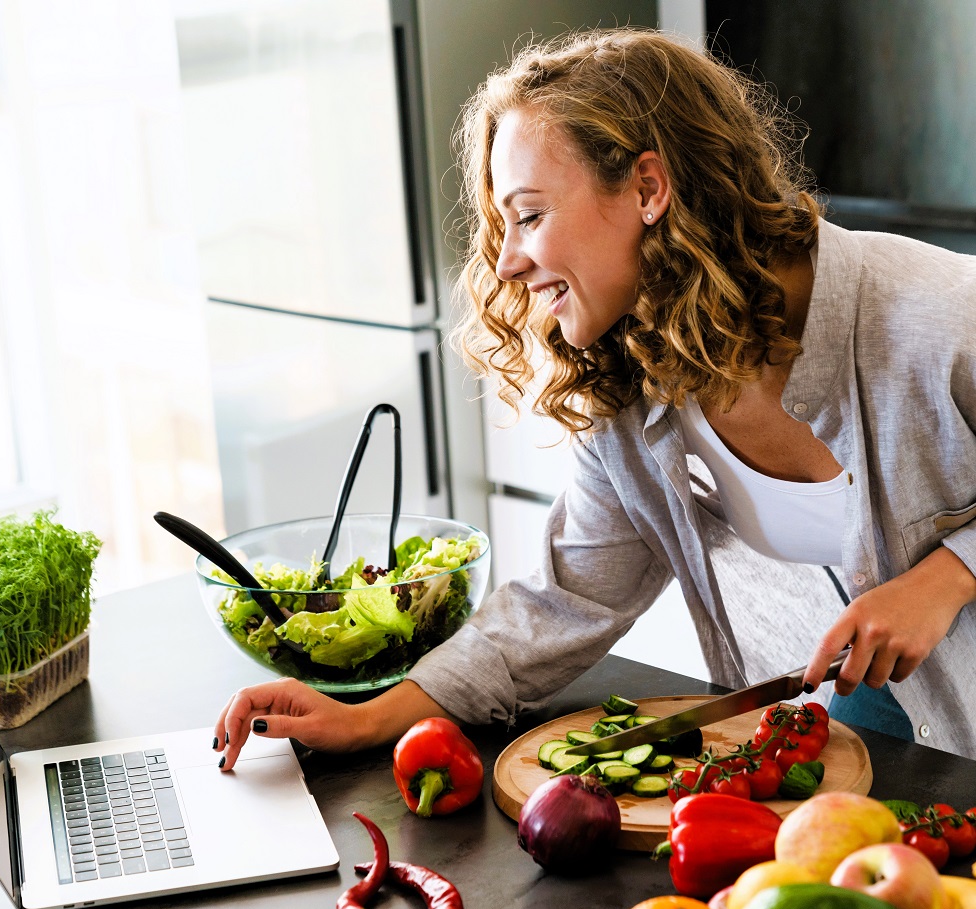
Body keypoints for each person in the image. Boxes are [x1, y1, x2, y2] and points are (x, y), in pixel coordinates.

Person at [214, 27, 976, 766]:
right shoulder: (637, 389)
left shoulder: (936, 316)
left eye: (530, 215)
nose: (508, 262)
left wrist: (947, 579)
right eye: (502, 227)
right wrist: (364, 718)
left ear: (648, 187)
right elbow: (562, 602)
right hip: (897, 732)